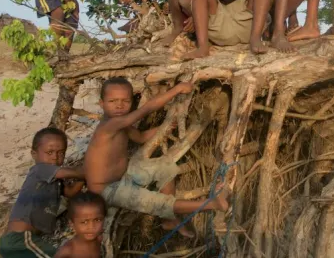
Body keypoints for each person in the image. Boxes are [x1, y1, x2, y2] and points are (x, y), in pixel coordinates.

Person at [85, 77, 228, 237]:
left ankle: (170, 220)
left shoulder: (121, 123)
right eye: (113, 101)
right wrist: (177, 89)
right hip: (106, 190)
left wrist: (163, 128)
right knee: (155, 203)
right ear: (101, 104)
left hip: (124, 175)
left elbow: (139, 137)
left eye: (125, 101)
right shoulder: (108, 125)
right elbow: (145, 110)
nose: (119, 105)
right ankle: (212, 204)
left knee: (165, 166)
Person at [0, 128, 85, 258]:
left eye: (61, 153)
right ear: (34, 154)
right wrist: (90, 171)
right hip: (21, 239)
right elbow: (66, 172)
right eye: (49, 152)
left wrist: (82, 179)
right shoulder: (40, 169)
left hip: (25, 241)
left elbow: (70, 192)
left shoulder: (54, 181)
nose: (55, 157)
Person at [54, 191, 106, 258]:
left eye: (97, 220)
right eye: (84, 222)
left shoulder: (101, 240)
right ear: (72, 224)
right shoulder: (68, 251)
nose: (91, 227)